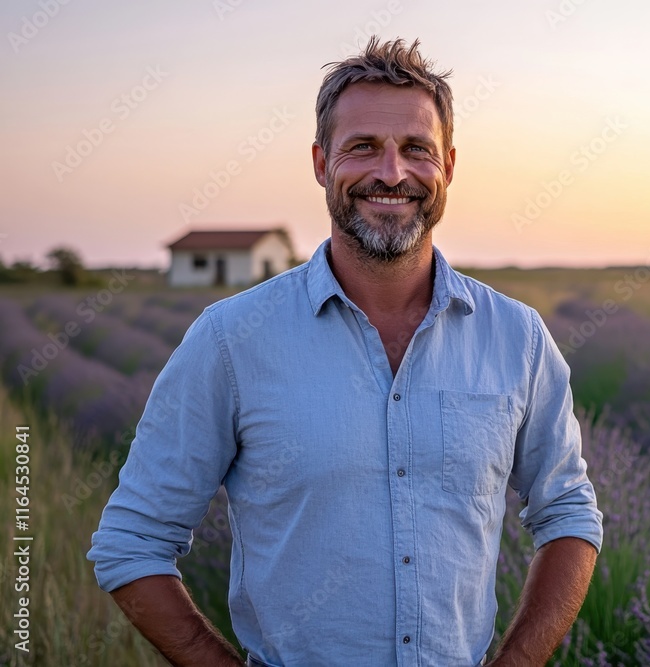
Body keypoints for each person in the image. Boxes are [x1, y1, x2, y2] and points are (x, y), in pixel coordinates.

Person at [88, 37, 603, 667]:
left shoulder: (517, 339)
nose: (392, 173)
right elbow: (131, 541)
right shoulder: (231, 341)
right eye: (363, 147)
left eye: (417, 149)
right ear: (318, 161)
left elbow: (569, 513)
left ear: (449, 165)